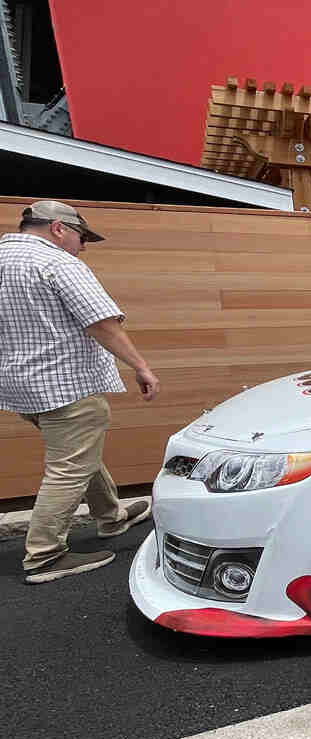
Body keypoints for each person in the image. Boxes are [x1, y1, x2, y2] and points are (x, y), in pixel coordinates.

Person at [0, 201, 160, 584]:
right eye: (81, 236)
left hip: (22, 386)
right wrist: (140, 366)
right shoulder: (57, 263)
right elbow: (101, 323)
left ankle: (110, 516)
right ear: (58, 228)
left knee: (75, 451)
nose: (83, 246)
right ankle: (45, 555)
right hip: (65, 383)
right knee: (68, 467)